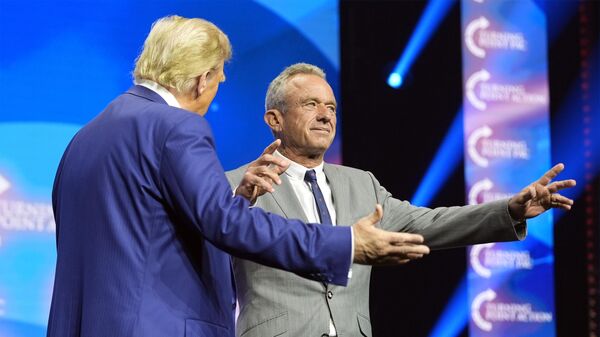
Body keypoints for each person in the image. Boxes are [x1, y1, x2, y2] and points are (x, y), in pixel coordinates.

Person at [46, 18, 432, 337]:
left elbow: (142, 232)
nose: (217, 89)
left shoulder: (84, 139)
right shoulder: (178, 126)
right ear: (200, 79)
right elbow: (228, 225)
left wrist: (236, 195)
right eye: (217, 80)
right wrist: (344, 243)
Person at [226, 63, 576, 337]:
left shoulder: (361, 184)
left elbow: (429, 224)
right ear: (275, 119)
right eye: (310, 104)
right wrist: (239, 202)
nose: (325, 115)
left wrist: (508, 210)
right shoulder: (235, 184)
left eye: (331, 107)